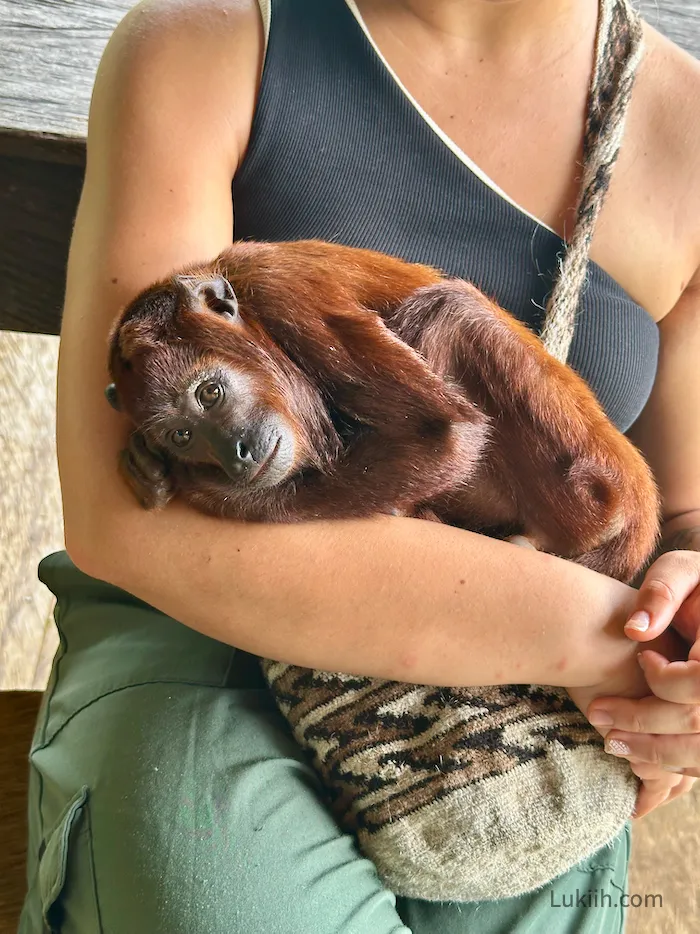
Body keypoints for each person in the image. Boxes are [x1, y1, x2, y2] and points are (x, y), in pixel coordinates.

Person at [19, 0, 700, 931]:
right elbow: (135, 523)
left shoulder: (688, 129)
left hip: (541, 704)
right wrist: (607, 640)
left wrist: (684, 651)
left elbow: (686, 510)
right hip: (212, 653)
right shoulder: (214, 43)